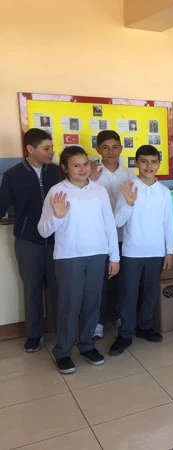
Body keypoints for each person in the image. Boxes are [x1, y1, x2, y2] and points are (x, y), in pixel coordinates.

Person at [38, 146, 119, 374]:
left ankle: (86, 346)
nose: (82, 169)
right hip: (69, 257)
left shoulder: (99, 191)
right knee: (69, 305)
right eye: (76, 165)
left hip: (97, 255)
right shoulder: (57, 192)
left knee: (92, 303)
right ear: (65, 168)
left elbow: (109, 225)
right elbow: (43, 231)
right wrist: (57, 216)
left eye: (85, 164)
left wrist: (114, 257)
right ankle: (63, 352)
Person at [109, 145, 173, 356]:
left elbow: (168, 223)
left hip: (156, 252)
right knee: (128, 294)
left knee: (150, 292)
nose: (149, 166)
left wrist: (170, 251)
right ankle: (125, 334)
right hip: (132, 252)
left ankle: (144, 326)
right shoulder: (128, 187)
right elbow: (117, 221)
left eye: (154, 162)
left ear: (159, 164)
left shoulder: (164, 192)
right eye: (144, 161)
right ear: (136, 162)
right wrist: (129, 203)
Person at [0, 128, 60, 352]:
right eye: (46, 148)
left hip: (57, 240)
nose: (51, 152)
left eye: (52, 147)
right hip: (28, 241)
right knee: (32, 288)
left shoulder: (57, 172)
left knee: (59, 287)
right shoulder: (13, 175)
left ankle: (62, 331)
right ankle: (34, 335)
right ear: (30, 149)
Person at [89, 130, 135, 339]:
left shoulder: (129, 174)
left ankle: (119, 317)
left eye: (115, 147)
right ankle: (97, 322)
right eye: (105, 148)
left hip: (124, 236)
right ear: (98, 149)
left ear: (121, 149)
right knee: (99, 282)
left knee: (122, 282)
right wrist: (90, 180)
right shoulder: (92, 173)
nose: (110, 152)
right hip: (100, 238)